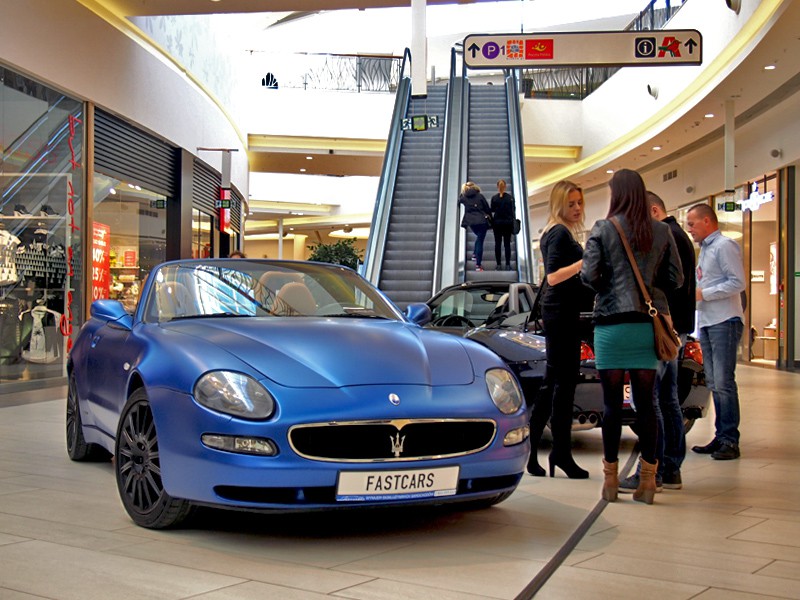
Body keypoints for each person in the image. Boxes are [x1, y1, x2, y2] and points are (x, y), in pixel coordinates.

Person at [581, 169, 683, 504]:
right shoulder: (661, 230)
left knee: (611, 406)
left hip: (611, 325)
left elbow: (588, 276)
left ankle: (610, 481)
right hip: (644, 326)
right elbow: (676, 278)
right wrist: (649, 289)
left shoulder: (603, 228)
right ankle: (649, 482)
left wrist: (609, 286)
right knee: (647, 405)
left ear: (616, 194)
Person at [619, 191, 696, 494]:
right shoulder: (680, 236)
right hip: (674, 329)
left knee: (650, 400)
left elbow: (662, 286)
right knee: (667, 399)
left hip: (661, 328)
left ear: (653, 211)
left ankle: (653, 470)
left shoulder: (666, 236)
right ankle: (671, 467)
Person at [528, 180, 591, 479]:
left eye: (579, 202)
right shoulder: (559, 232)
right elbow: (552, 276)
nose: (577, 208)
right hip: (561, 312)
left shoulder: (557, 231)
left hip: (561, 311)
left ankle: (544, 452)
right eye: (571, 203)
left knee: (556, 381)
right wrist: (584, 262)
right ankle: (559, 453)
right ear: (559, 204)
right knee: (562, 383)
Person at [686, 203, 745, 460]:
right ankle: (721, 436)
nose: (690, 229)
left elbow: (737, 282)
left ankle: (730, 439)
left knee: (723, 381)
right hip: (708, 322)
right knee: (713, 381)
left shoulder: (724, 246)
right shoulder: (705, 250)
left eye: (692, 224)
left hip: (725, 320)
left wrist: (704, 294)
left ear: (707, 221)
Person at [459, 181, 492, 272]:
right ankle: (478, 265)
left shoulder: (463, 197)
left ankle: (474, 254)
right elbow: (487, 208)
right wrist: (491, 220)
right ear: (475, 187)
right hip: (482, 221)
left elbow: (458, 202)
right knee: (480, 240)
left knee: (479, 237)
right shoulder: (480, 196)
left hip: (471, 222)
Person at [491, 179, 516, 271]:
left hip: (497, 224)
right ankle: (508, 265)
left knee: (497, 244)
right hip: (507, 224)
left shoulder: (494, 198)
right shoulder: (510, 198)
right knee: (507, 245)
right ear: (505, 186)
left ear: (497, 187)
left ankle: (498, 265)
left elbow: (492, 210)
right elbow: (513, 211)